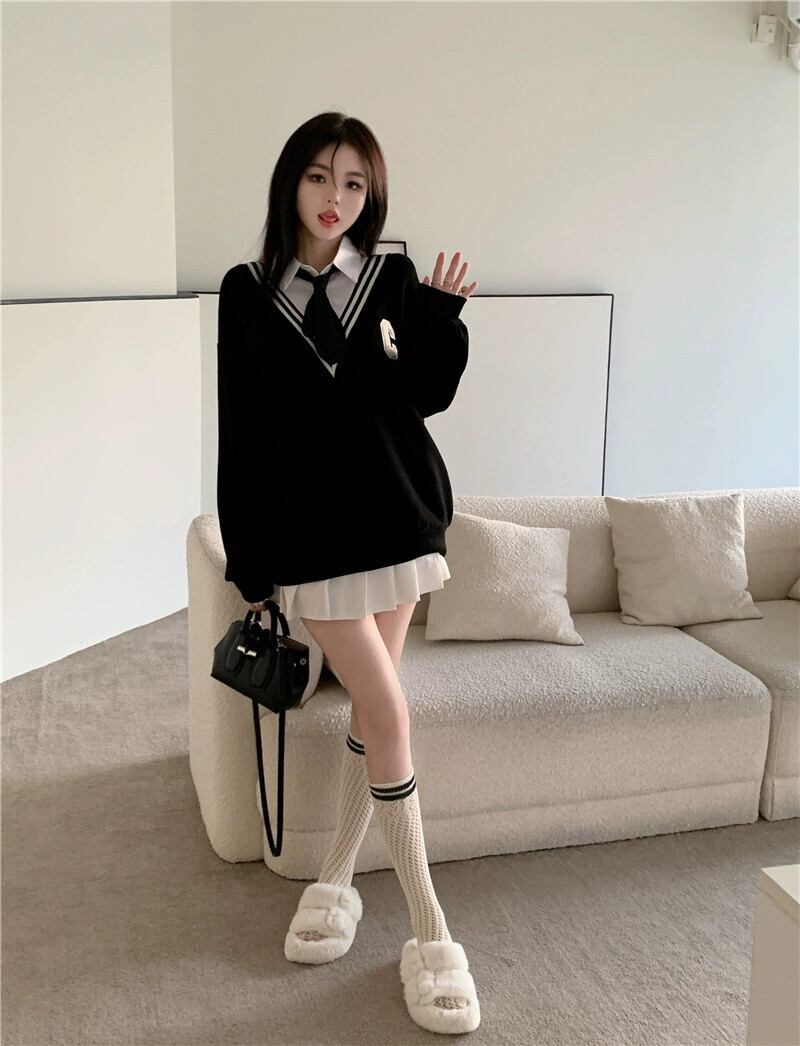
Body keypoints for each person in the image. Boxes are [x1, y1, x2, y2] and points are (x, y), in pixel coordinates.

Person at [216, 111, 480, 1035]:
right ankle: (432, 931)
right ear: (292, 181)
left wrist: (437, 316)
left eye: (356, 184)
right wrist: (250, 559)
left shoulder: (389, 279)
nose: (337, 199)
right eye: (321, 178)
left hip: (400, 518)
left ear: (372, 196)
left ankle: (335, 881)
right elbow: (242, 428)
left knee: (375, 713)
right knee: (391, 712)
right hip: (313, 542)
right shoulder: (248, 290)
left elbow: (427, 395)